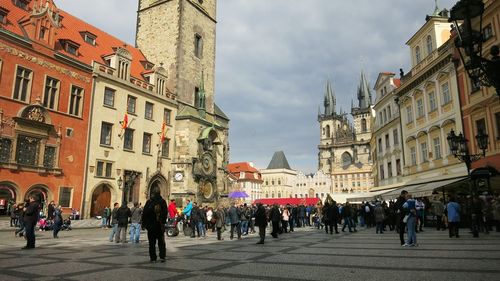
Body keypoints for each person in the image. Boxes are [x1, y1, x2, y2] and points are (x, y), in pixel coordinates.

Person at [141, 191, 168, 263]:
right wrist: (163, 222)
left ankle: (153, 258)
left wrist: (144, 224)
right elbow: (165, 213)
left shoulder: (149, 202)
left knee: (151, 243)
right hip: (159, 225)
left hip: (151, 226)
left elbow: (144, 214)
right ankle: (162, 256)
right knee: (161, 242)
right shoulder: (162, 201)